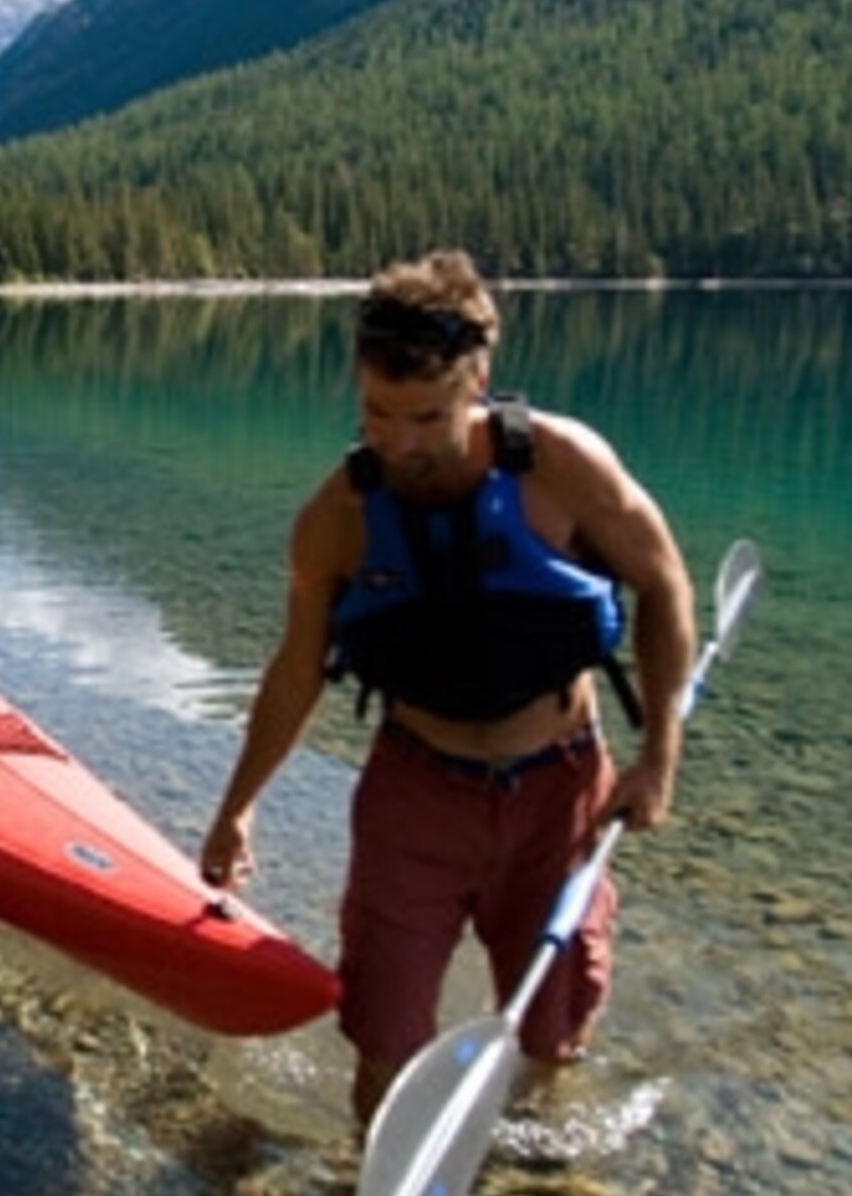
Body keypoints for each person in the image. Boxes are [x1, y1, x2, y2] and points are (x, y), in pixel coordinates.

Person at [200, 251, 696, 1129]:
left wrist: (659, 760)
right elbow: (297, 669)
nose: (399, 443)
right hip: (414, 797)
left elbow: (663, 585)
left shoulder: (562, 465)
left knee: (552, 1035)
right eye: (376, 414)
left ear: (480, 383)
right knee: (383, 1041)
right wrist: (238, 805)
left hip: (561, 791)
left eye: (426, 416)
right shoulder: (338, 518)